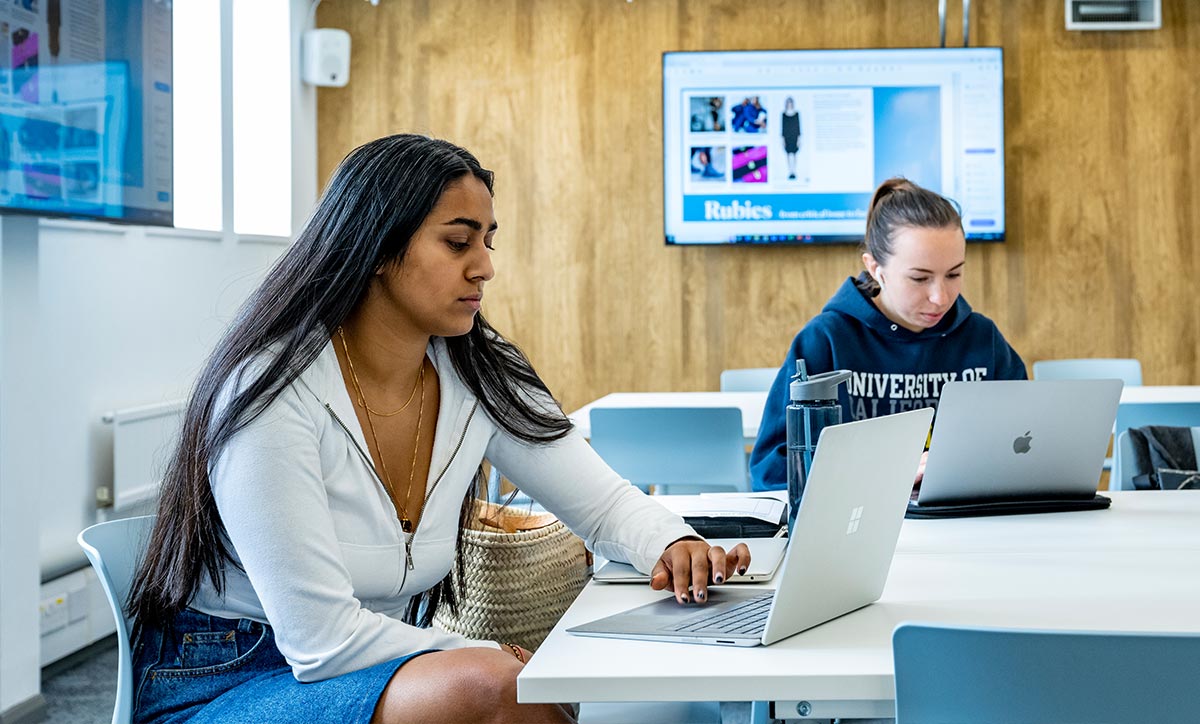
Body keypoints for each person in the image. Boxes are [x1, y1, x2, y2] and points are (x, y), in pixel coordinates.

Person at [126, 134, 750, 724]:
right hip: (234, 678)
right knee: (499, 686)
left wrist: (674, 544)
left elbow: (606, 506)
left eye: (488, 241)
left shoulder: (476, 369)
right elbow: (321, 640)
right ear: (374, 249)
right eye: (458, 243)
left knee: (507, 683)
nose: (485, 267)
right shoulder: (272, 392)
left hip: (383, 661)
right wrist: (478, 655)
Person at [750, 177, 1026, 491]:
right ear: (874, 267)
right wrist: (888, 474)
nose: (941, 296)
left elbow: (1026, 445)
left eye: (954, 274)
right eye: (920, 278)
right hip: (854, 526)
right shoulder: (825, 341)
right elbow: (771, 472)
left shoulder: (982, 338)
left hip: (966, 526)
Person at [781, 97, 801, 180]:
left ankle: (794, 171)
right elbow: (783, 128)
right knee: (788, 155)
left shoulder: (796, 114)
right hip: (787, 137)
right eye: (788, 103)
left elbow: (798, 127)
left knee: (795, 154)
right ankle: (790, 171)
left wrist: (799, 139)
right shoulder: (783, 114)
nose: (789, 105)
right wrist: (783, 140)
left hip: (794, 137)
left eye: (791, 103)